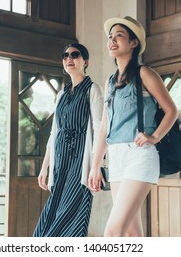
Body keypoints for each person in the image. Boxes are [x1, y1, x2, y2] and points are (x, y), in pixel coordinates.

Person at [88, 16, 178, 237]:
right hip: (116, 158)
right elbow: (104, 128)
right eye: (110, 37)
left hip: (139, 156)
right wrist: (95, 165)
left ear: (134, 43)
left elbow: (171, 110)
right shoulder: (110, 81)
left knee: (111, 233)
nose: (112, 41)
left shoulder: (144, 73)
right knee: (132, 236)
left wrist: (155, 136)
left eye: (119, 36)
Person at [33, 43, 104, 237]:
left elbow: (100, 129)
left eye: (75, 55)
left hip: (80, 162)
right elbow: (54, 133)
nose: (68, 59)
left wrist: (96, 166)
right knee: (53, 212)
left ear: (85, 62)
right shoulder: (61, 95)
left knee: (73, 215)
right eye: (65, 56)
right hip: (60, 161)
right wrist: (44, 167)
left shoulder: (93, 90)